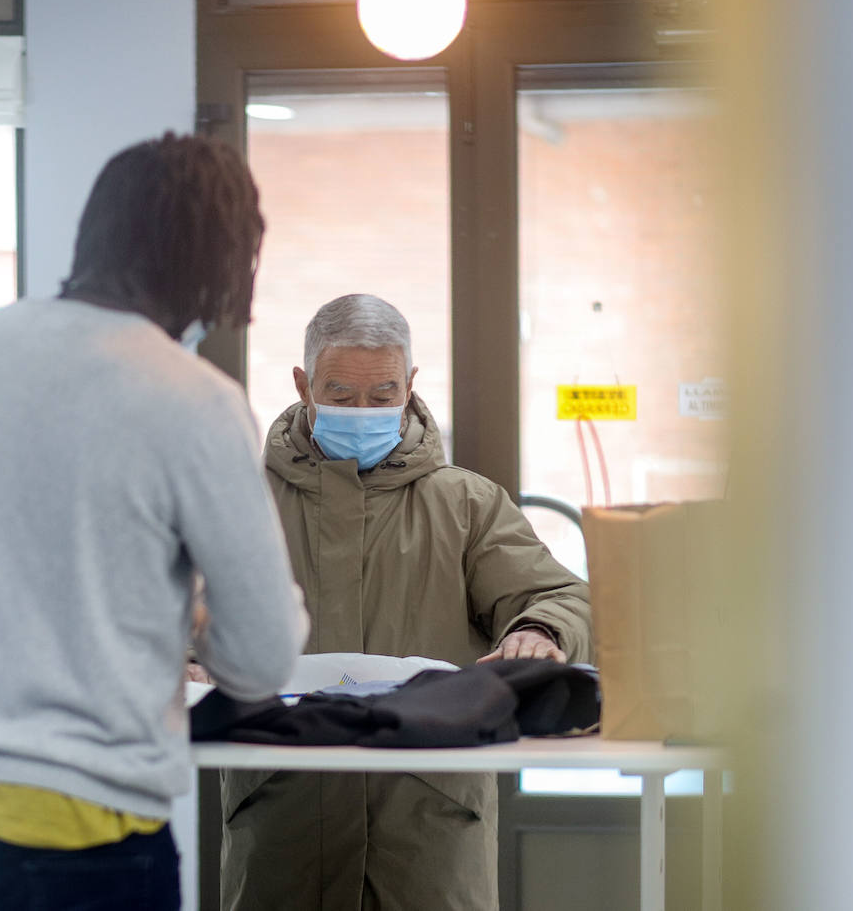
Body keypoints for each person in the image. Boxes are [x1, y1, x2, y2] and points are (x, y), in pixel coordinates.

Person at [0, 132, 308, 911]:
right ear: (215, 263)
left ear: (94, 232)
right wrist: (177, 614)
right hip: (89, 835)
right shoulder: (194, 400)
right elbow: (263, 657)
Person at [219, 294, 591, 911]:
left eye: (382, 394)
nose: (362, 412)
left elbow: (554, 594)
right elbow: (173, 608)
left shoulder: (467, 505)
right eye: (341, 395)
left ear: (410, 385)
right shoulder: (244, 504)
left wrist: (541, 630)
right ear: (304, 385)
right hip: (281, 825)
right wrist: (187, 656)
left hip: (430, 831)